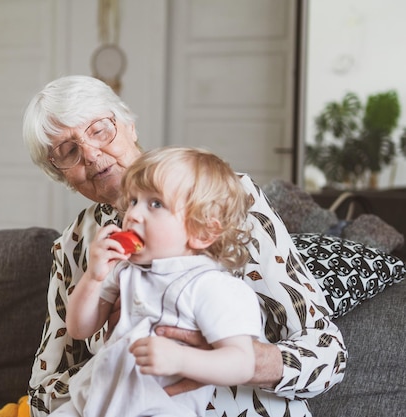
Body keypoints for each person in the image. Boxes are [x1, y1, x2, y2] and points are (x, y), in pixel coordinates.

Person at [23, 75, 347, 417]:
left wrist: (218, 358)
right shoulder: (76, 245)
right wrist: (114, 363)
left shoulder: (222, 200)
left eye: (100, 129)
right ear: (61, 175)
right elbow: (45, 387)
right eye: (67, 151)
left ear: (130, 126)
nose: (90, 153)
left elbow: (326, 354)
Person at [50, 147, 262, 417]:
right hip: (90, 402)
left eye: (156, 204)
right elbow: (79, 329)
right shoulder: (125, 270)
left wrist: (182, 359)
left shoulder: (213, 287)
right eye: (134, 201)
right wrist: (94, 276)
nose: (134, 214)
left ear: (203, 231)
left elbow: (242, 363)